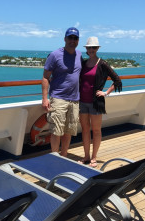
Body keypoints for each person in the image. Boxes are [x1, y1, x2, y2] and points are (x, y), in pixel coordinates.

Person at [78, 36, 122, 167]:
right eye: (89, 47)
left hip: (96, 102)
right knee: (85, 130)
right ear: (86, 49)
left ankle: (94, 158)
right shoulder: (84, 63)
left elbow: (117, 80)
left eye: (94, 47)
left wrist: (106, 93)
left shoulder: (102, 63)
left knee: (96, 131)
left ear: (97, 49)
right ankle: (86, 156)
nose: (91, 49)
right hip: (82, 102)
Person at [42, 27, 82, 157]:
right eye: (70, 37)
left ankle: (64, 156)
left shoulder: (79, 54)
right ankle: (55, 158)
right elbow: (45, 77)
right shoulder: (55, 55)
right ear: (65, 39)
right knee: (56, 131)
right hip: (58, 98)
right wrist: (45, 98)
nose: (72, 40)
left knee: (68, 131)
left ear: (78, 40)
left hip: (74, 99)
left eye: (75, 38)